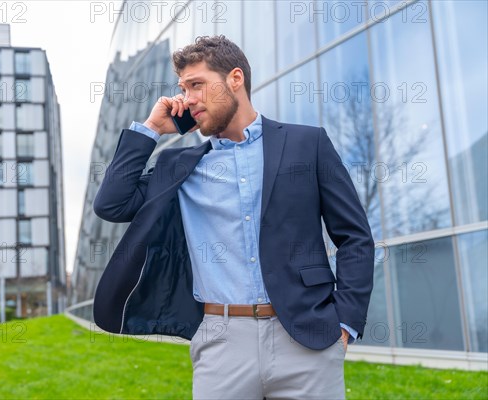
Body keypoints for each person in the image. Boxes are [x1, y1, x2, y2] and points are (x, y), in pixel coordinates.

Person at [93, 35, 375, 399]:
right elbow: (111, 204)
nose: (188, 98)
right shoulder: (179, 166)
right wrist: (150, 129)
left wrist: (345, 325)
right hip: (220, 342)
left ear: (235, 79)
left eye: (197, 85)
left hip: (307, 340)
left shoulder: (307, 144)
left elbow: (355, 237)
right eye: (183, 88)